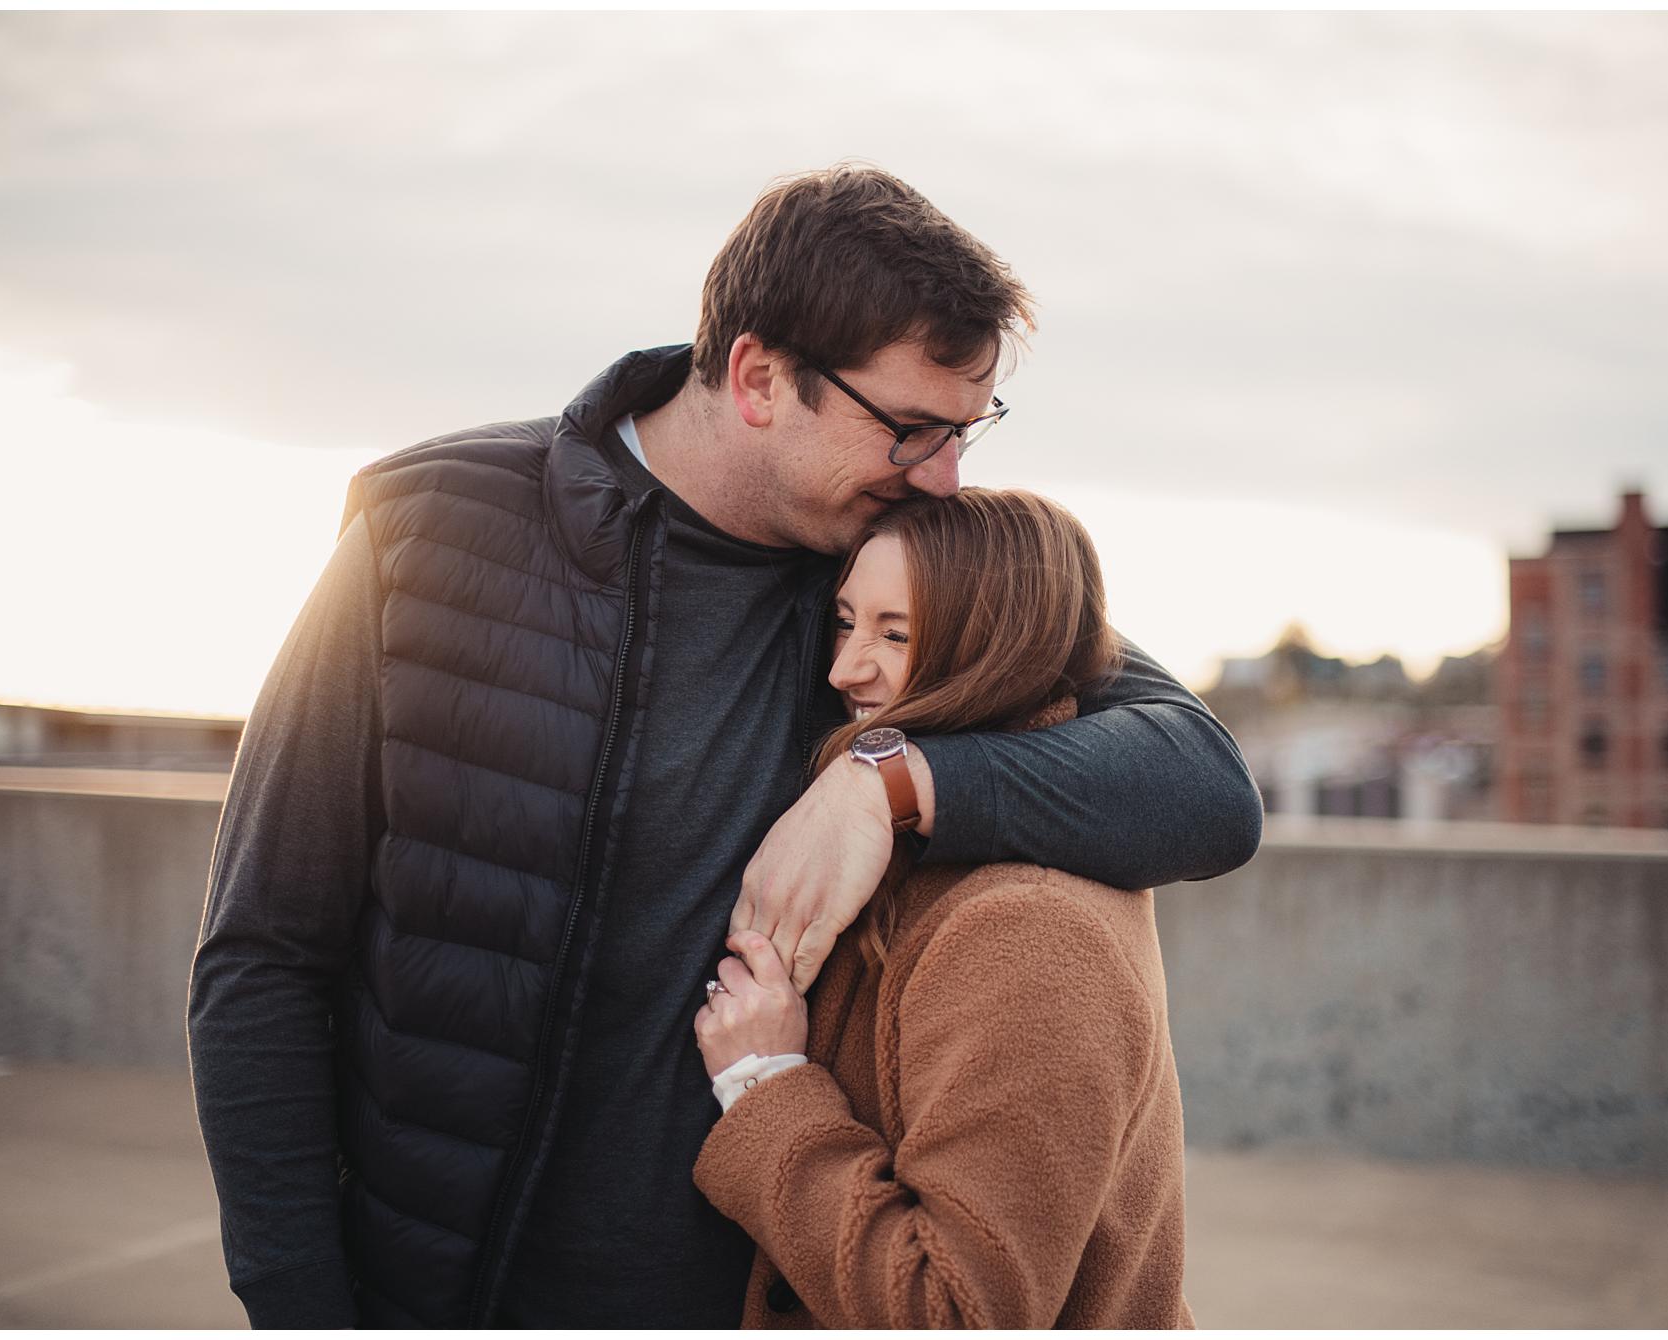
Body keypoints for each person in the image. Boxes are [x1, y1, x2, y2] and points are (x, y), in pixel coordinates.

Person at [187, 164, 1260, 1329]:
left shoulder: (897, 579)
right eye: (909, 429)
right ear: (757, 376)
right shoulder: (427, 527)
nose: (947, 476)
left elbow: (1202, 783)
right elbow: (264, 952)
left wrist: (890, 781)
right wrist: (300, 1305)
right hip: (430, 1294)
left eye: (965, 430)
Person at [692, 489, 1194, 1328]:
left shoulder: (1030, 932)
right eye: (846, 623)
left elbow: (955, 1311)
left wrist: (762, 1085)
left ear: (995, 651)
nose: (844, 669)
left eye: (895, 635)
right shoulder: (913, 842)